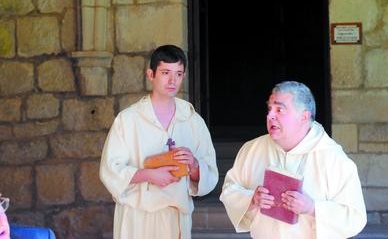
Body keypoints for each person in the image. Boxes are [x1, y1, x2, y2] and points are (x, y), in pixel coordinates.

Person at [220, 81, 367, 238]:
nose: (270, 116)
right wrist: (252, 199)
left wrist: (312, 208)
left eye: (279, 110)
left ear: (304, 116)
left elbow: (355, 218)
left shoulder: (333, 158)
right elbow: (229, 190)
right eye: (269, 109)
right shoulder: (252, 149)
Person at [100, 44, 219, 239]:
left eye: (179, 74)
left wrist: (194, 165)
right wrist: (148, 175)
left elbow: (209, 174)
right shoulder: (128, 119)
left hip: (175, 217)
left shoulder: (192, 121)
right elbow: (110, 170)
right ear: (151, 74)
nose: (173, 80)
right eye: (165, 72)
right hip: (137, 218)